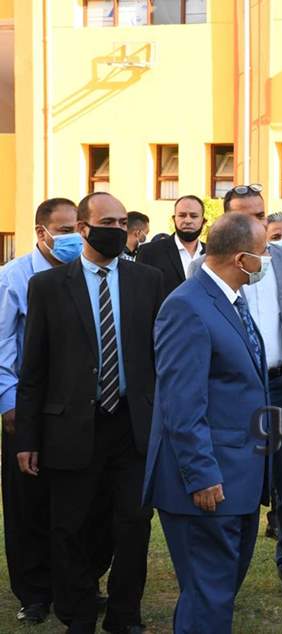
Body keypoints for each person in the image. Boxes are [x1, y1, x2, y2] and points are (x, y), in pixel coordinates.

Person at [16, 192, 163, 634]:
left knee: (133, 525)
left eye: (122, 222)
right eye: (108, 222)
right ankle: (78, 616)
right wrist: (27, 439)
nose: (117, 229)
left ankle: (124, 617)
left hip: (132, 426)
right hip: (72, 428)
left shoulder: (148, 281)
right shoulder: (48, 287)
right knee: (71, 527)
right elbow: (34, 369)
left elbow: (160, 357)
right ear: (83, 228)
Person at [143, 213, 270, 634]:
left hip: (238, 476)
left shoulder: (229, 299)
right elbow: (181, 403)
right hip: (207, 482)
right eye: (264, 252)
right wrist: (201, 475)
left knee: (215, 591)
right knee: (208, 596)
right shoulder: (187, 306)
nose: (267, 260)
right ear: (241, 258)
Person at [196, 188, 282, 601]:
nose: (256, 223)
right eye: (245, 216)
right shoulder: (204, 267)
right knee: (237, 482)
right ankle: (227, 566)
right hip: (235, 390)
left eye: (261, 215)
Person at [0, 198, 80, 624]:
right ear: (41, 232)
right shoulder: (13, 277)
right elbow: (2, 344)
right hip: (26, 405)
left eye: (77, 229)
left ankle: (74, 584)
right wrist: (9, 403)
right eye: (64, 230)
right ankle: (33, 592)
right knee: (26, 502)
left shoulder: (83, 272)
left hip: (74, 407)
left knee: (74, 501)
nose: (73, 238)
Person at [135, 195, 206, 300]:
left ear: (203, 221)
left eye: (194, 216)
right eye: (182, 215)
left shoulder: (213, 254)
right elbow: (141, 294)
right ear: (174, 219)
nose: (188, 220)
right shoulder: (149, 252)